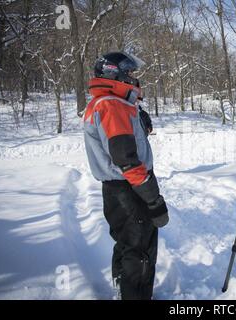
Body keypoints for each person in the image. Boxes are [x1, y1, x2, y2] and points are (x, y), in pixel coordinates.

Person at [83, 51, 169, 300]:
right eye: (130, 73)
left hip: (118, 189)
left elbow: (123, 143)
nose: (133, 77)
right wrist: (153, 198)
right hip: (129, 188)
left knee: (126, 244)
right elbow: (127, 160)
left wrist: (140, 119)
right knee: (139, 247)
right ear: (115, 73)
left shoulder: (108, 102)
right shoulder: (111, 104)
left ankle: (123, 291)